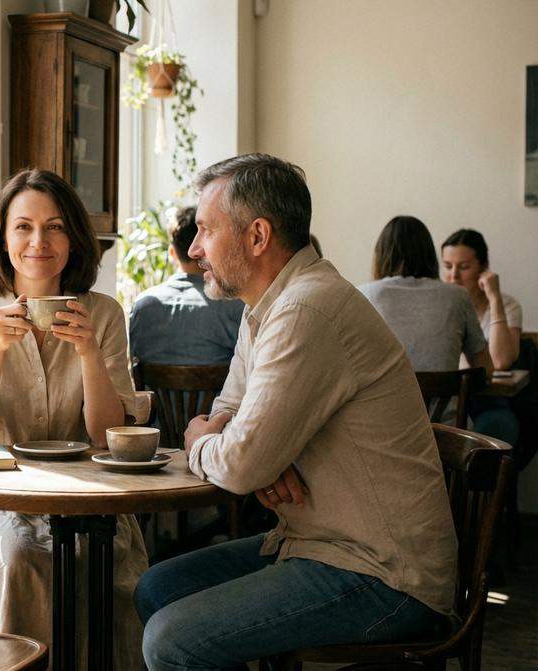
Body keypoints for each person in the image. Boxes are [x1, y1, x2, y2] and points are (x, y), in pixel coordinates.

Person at [135, 154, 457, 670]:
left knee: (172, 640)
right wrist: (257, 454)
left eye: (206, 231)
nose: (194, 251)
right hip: (314, 544)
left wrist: (202, 442)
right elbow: (231, 417)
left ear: (257, 236)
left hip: (384, 573)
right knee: (158, 586)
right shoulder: (264, 306)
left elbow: (235, 457)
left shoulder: (306, 309)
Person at [0, 168, 146, 667]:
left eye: (54, 227)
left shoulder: (105, 314)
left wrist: (90, 352)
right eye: (23, 227)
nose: (38, 241)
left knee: (88, 558)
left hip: (87, 500)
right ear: (3, 240)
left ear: (73, 238)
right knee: (17, 555)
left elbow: (106, 436)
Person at [359, 216, 491, 375]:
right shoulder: (457, 296)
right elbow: (486, 369)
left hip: (383, 400)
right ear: (430, 254)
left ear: (381, 255)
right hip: (445, 400)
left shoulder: (363, 295)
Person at [129, 205, 244, 366]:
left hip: (152, 392)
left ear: (172, 253)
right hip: (221, 392)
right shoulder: (235, 307)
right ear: (206, 249)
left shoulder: (143, 304)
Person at [441, 228, 522, 446]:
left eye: (464, 267)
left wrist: (494, 297)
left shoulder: (508, 305)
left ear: (483, 268)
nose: (453, 276)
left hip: (488, 400)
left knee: (496, 426)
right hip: (447, 398)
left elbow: (501, 361)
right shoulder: (441, 305)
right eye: (448, 267)